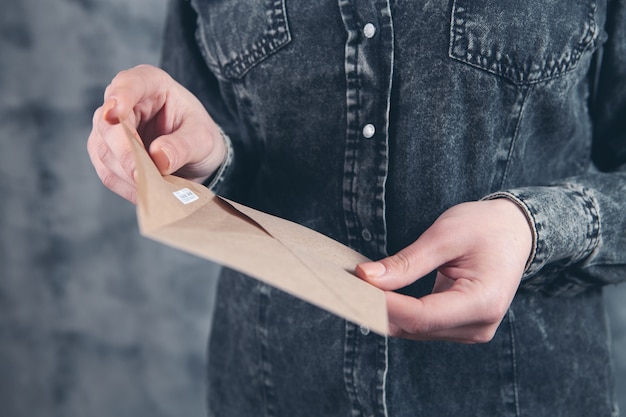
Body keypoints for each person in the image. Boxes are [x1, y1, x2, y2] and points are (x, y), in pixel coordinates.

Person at [88, 0, 625, 415]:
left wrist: (534, 228)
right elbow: (223, 149)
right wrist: (201, 161)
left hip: (524, 393)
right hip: (272, 390)